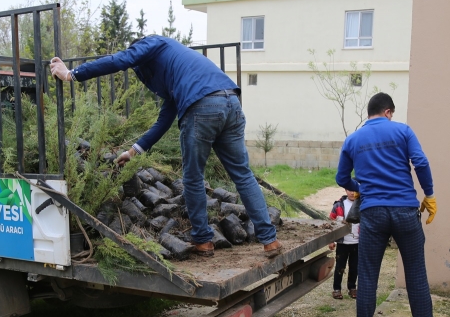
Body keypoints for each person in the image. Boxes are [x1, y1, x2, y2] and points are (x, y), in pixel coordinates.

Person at [49, 35, 283, 258]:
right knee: (242, 175)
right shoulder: (178, 70)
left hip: (202, 107)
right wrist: (133, 151)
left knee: (192, 178)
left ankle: (203, 240)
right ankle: (269, 240)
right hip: (231, 101)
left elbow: (120, 60)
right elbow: (164, 119)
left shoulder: (153, 43)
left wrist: (71, 74)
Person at [335, 92, 438, 317]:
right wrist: (429, 194)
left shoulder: (353, 139)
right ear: (388, 112)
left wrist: (359, 186)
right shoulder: (403, 131)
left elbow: (341, 177)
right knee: (415, 272)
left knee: (368, 273)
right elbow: (421, 162)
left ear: (370, 113)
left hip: (373, 213)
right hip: (405, 210)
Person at [328, 189, 360, 300]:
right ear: (345, 190)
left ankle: (352, 287)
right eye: (350, 190)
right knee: (340, 266)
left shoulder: (362, 204)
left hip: (357, 242)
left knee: (355, 267)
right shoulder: (338, 205)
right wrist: (331, 240)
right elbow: (331, 222)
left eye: (355, 190)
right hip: (343, 242)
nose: (352, 193)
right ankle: (336, 289)